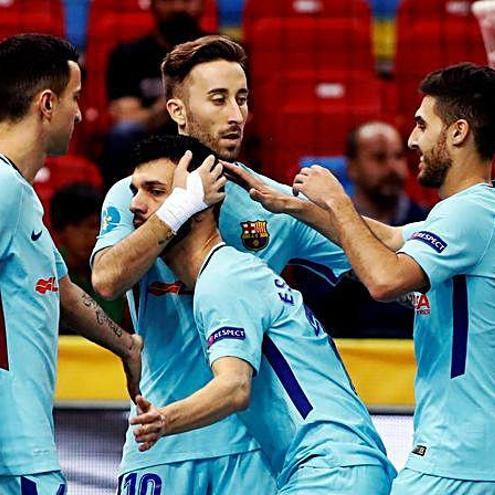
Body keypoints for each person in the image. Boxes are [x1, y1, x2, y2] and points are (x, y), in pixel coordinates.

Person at [228, 62, 495, 494]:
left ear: (458, 132)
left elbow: (383, 278)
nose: (413, 140)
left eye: (421, 124)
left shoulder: (469, 212)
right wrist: (296, 207)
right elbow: (392, 238)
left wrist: (337, 199)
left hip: (462, 461)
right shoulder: (490, 208)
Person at [91, 36, 352, 494]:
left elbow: (376, 253)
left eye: (242, 98)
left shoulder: (268, 201)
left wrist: (443, 237)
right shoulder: (138, 192)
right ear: (177, 110)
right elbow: (108, 279)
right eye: (219, 99)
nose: (236, 115)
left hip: (253, 449)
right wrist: (177, 208)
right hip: (161, 439)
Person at [126, 135, 395, 494]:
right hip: (336, 467)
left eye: (156, 191)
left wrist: (163, 419)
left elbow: (235, 387)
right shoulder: (233, 272)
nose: (136, 205)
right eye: (134, 190)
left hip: (330, 471)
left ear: (200, 205)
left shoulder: (223, 279)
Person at [0, 34, 141, 494]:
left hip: (24, 450)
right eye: (74, 98)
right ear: (46, 104)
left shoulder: (18, 194)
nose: (80, 113)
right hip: (11, 453)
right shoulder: (2, 188)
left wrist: (128, 347)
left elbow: (59, 288)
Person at [303, 121, 428, 338]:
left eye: (398, 156)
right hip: (346, 355)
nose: (392, 167)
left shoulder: (427, 222)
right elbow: (318, 304)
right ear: (352, 167)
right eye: (379, 157)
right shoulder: (324, 228)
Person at [101, 0, 206, 185]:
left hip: (203, 134)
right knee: (123, 133)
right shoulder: (128, 55)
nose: (178, 7)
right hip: (149, 139)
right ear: (154, 5)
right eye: (170, 1)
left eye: (188, 0)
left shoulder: (221, 53)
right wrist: (180, 94)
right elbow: (128, 119)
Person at [51, 183, 129, 331]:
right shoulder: (48, 271)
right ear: (60, 231)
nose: (92, 235)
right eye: (83, 226)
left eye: (96, 226)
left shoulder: (116, 268)